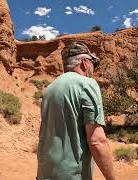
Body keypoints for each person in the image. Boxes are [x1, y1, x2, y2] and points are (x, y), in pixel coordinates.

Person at [36, 42, 115, 180]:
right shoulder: (86, 84)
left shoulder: (49, 90)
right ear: (84, 62)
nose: (93, 68)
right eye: (92, 63)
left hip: (43, 174)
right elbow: (97, 141)